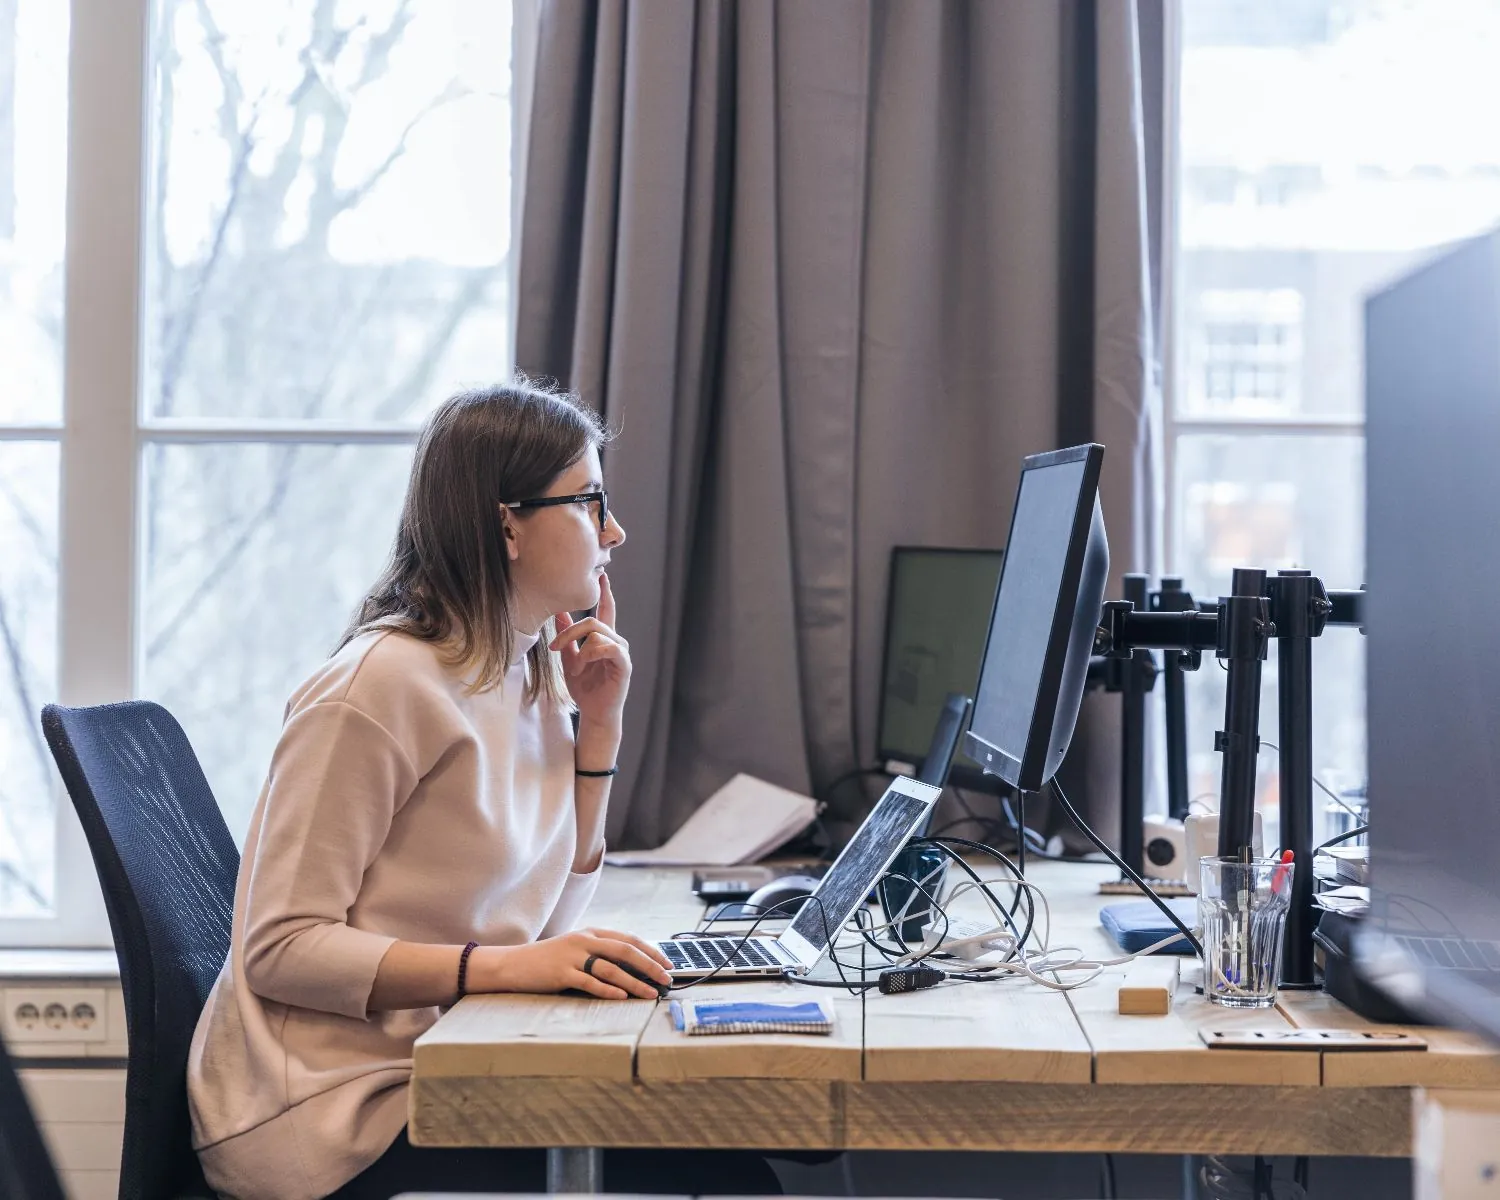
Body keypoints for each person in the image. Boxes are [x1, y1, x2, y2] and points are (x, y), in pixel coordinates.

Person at [187, 381, 783, 1200]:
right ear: (508, 524)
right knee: (736, 1176)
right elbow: (279, 948)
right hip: (329, 1116)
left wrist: (599, 730)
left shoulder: (525, 672)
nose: (614, 531)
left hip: (437, 1065)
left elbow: (546, 919)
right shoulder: (377, 688)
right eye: (589, 502)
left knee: (741, 1152)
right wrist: (506, 968)